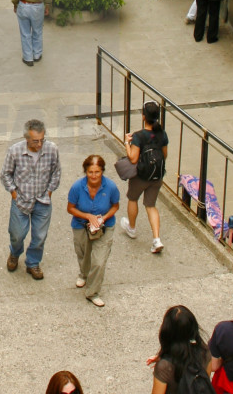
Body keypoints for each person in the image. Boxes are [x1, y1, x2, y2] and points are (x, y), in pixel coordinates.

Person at [1, 117, 61, 277]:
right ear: (26, 138)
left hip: (43, 201)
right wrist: (13, 192)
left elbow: (56, 172)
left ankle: (33, 263)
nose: (39, 144)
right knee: (17, 234)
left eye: (42, 140)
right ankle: (15, 253)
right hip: (21, 200)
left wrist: (49, 191)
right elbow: (6, 174)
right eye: (35, 141)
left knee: (40, 236)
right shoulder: (15, 151)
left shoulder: (52, 149)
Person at [66, 154, 120, 307]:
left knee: (99, 261)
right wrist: (88, 216)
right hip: (81, 225)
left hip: (104, 226)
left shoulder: (111, 187)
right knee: (83, 255)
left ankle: (92, 292)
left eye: (97, 172)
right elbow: (70, 208)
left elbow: (115, 205)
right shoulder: (77, 187)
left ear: (102, 171)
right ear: (86, 172)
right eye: (90, 172)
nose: (94, 175)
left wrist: (103, 218)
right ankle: (83, 274)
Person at [121, 102, 169, 253]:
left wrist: (127, 143)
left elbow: (133, 159)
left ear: (143, 117)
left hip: (141, 176)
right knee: (151, 205)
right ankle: (156, 239)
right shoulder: (162, 134)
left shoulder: (139, 136)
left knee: (133, 198)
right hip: (157, 176)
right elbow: (164, 155)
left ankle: (132, 228)